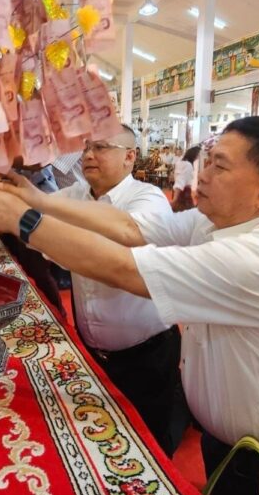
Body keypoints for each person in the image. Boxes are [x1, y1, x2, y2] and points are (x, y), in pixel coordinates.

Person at [0, 116, 259, 495]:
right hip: (225, 438)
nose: (203, 174)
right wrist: (39, 201)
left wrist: (22, 219)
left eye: (220, 166)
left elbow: (124, 268)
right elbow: (131, 228)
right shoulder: (210, 221)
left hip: (258, 454)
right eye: (208, 160)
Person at [56, 126, 184, 454]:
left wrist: (51, 231)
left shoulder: (147, 198)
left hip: (147, 353)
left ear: (129, 157)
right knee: (103, 438)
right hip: (94, 350)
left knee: (151, 442)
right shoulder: (75, 195)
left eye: (100, 147)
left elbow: (122, 244)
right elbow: (31, 210)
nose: (88, 155)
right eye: (86, 147)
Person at [171, 145, 201, 212]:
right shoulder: (188, 165)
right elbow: (181, 181)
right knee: (185, 212)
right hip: (184, 193)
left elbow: (179, 179)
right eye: (198, 155)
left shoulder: (180, 162)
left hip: (181, 192)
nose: (198, 157)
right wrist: (175, 199)